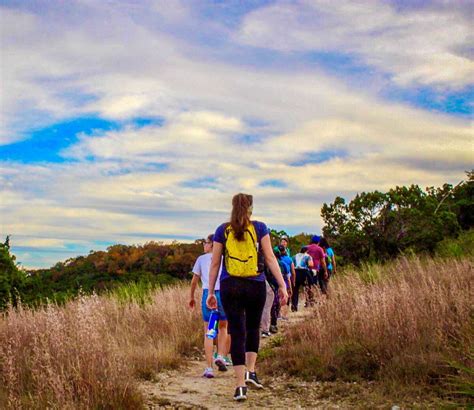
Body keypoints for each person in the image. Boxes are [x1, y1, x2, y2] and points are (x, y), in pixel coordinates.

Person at [207, 193, 288, 402]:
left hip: (229, 285)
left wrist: (209, 292)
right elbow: (270, 258)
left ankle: (239, 386)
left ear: (233, 208)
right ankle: (251, 370)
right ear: (250, 208)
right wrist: (282, 285)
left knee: (236, 331)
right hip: (255, 284)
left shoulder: (221, 230)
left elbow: (215, 263)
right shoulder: (260, 227)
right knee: (253, 328)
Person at [189, 234, 230, 378]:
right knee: (223, 327)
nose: (204, 245)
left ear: (212, 244)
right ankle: (221, 355)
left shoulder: (201, 259)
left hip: (209, 295)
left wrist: (191, 297)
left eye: (206, 243)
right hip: (223, 294)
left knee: (209, 330)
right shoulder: (225, 259)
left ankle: (209, 367)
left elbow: (194, 281)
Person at [291, 246, 314, 311]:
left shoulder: (294, 256)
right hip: (304, 272)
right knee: (308, 288)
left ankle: (294, 306)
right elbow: (310, 264)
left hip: (295, 272)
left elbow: (291, 264)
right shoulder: (308, 256)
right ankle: (308, 303)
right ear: (307, 251)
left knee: (295, 290)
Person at [277, 245, 294, 320]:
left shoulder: (271, 261)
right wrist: (291, 286)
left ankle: (277, 314)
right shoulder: (288, 260)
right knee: (284, 298)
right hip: (284, 281)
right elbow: (290, 273)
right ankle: (282, 315)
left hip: (273, 282)